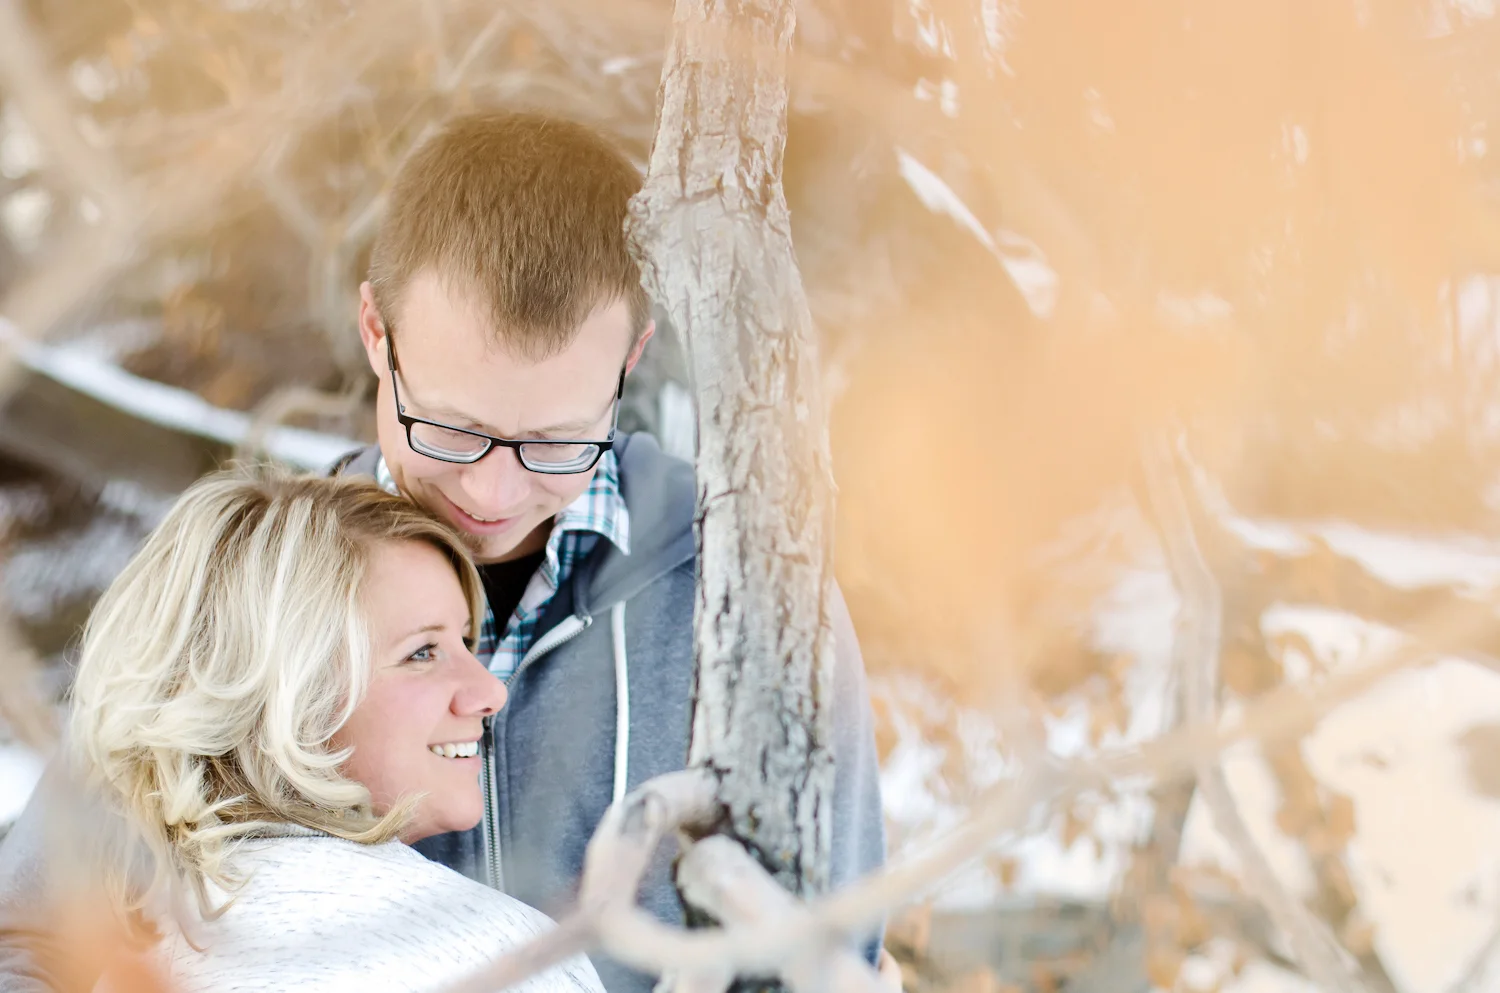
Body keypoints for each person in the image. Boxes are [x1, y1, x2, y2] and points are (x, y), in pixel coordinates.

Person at [0, 110, 885, 993]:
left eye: (556, 441)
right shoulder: (254, 589)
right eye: (453, 429)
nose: (491, 495)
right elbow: (26, 937)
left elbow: (832, 953)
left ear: (631, 362)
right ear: (377, 334)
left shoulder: (752, 591)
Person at [65, 466, 603, 993]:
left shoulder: (127, 959)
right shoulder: (499, 955)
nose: (490, 691)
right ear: (281, 695)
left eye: (466, 641)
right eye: (422, 652)